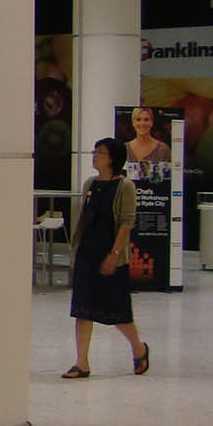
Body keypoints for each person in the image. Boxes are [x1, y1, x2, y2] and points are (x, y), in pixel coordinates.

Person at [64, 137, 150, 378]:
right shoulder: (90, 184)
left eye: (100, 152)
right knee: (82, 309)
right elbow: (84, 220)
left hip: (111, 256)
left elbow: (126, 223)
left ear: (112, 158)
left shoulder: (124, 187)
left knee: (116, 312)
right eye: (94, 151)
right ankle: (82, 363)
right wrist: (76, 250)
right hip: (87, 255)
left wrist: (114, 254)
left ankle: (138, 348)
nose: (94, 156)